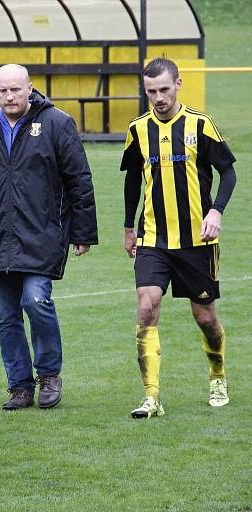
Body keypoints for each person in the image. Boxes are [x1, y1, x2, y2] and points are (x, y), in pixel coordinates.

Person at [0, 64, 98, 411]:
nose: (9, 96)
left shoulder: (56, 123)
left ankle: (49, 375)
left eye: (15, 90)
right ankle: (20, 386)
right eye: (2, 90)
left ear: (30, 89)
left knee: (36, 301)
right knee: (6, 314)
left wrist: (82, 231)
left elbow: (79, 178)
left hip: (42, 233)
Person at [121, 57, 237, 418]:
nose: (158, 97)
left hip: (196, 242)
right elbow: (131, 181)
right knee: (146, 305)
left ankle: (217, 375)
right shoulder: (138, 129)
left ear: (178, 85)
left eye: (164, 89)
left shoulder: (200, 126)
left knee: (205, 318)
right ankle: (151, 397)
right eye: (151, 91)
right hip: (154, 238)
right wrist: (129, 227)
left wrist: (215, 210)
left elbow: (228, 173)